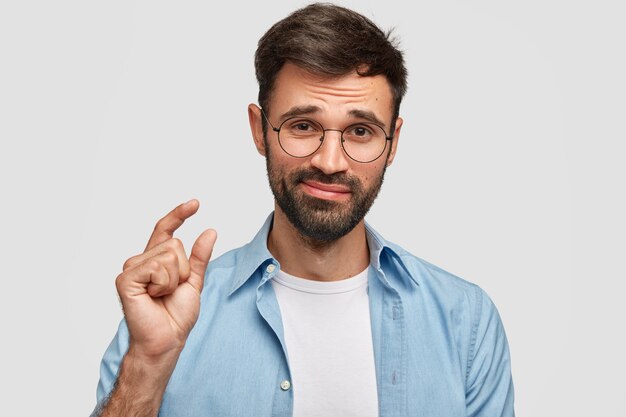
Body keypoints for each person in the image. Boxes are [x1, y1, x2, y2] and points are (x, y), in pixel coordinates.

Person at [92, 3, 515, 416]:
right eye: (303, 126)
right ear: (260, 130)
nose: (330, 162)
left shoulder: (465, 321)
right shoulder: (170, 314)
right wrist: (147, 364)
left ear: (393, 143)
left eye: (361, 131)